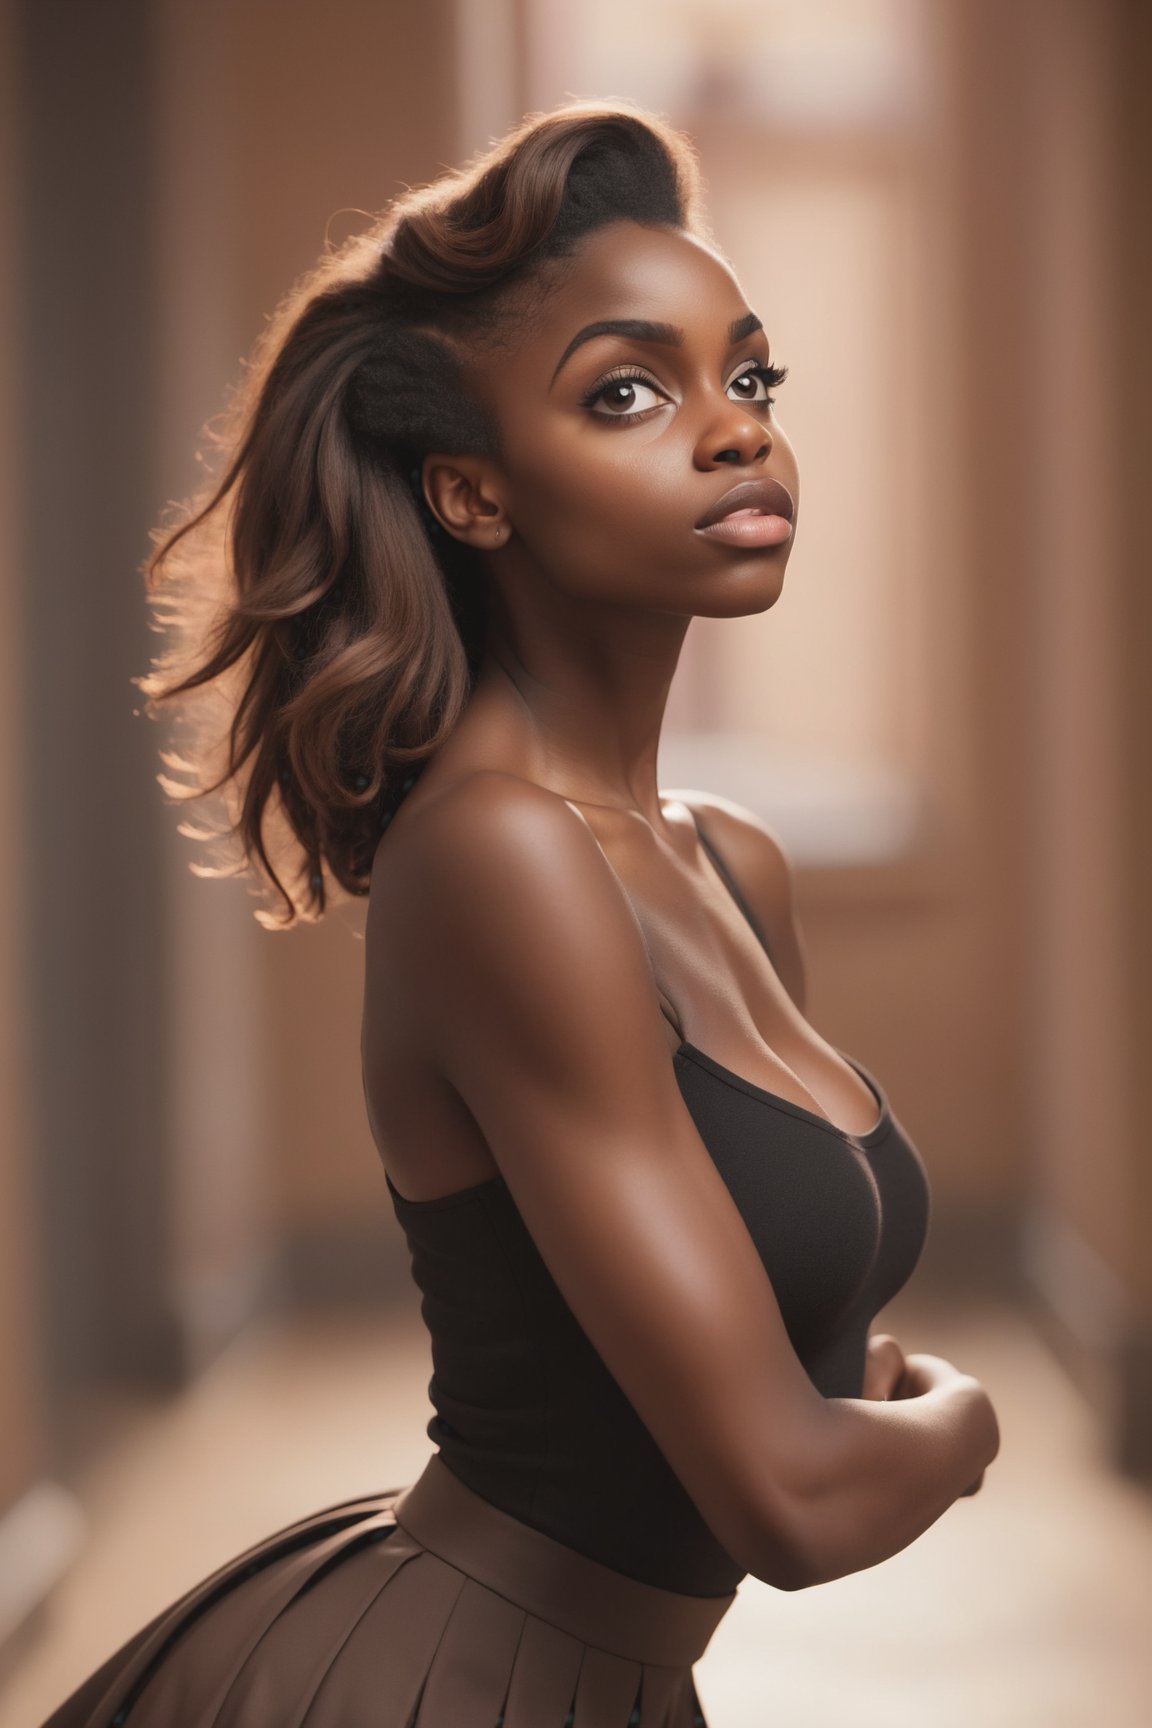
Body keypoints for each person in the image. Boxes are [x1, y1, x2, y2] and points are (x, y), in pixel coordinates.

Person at [42, 100, 1000, 1728]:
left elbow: (784, 1358)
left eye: (749, 377)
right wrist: (969, 1420)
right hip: (454, 1682)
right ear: (474, 497)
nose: (734, 430)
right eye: (629, 392)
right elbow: (792, 1496)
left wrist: (861, 1402)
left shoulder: (726, 863)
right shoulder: (501, 859)